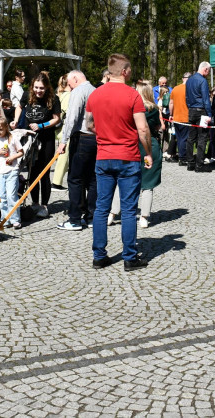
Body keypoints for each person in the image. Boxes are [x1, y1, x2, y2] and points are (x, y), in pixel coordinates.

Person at [86, 54, 151, 271]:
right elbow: (142, 128)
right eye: (130, 70)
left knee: (101, 208)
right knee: (129, 209)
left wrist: (105, 133)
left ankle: (99, 256)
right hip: (128, 156)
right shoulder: (132, 95)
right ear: (124, 71)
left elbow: (89, 124)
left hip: (104, 156)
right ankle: (130, 258)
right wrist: (148, 152)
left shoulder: (95, 95)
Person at [56, 70, 97, 231]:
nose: (69, 86)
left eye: (69, 82)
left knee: (75, 179)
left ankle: (74, 219)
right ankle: (91, 216)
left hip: (81, 137)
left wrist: (63, 141)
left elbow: (72, 117)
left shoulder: (78, 91)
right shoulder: (95, 90)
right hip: (95, 138)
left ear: (75, 78)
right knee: (92, 179)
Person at [24, 73, 62, 218]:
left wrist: (41, 125)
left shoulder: (53, 99)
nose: (38, 91)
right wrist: (15, 120)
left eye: (41, 88)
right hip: (31, 141)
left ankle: (44, 205)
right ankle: (34, 203)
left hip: (47, 140)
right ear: (32, 86)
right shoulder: (27, 96)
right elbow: (20, 108)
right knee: (32, 171)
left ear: (47, 88)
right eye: (36, 87)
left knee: (44, 173)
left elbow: (56, 119)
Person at [135, 81, 163, 228]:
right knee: (148, 181)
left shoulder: (132, 108)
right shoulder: (153, 109)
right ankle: (144, 217)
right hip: (148, 148)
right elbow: (159, 127)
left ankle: (113, 213)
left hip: (132, 147)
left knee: (125, 181)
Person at [0, 116, 24, 229]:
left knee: (11, 195)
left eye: (0, 129)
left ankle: (15, 219)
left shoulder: (12, 138)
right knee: (1, 197)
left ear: (6, 128)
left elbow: (21, 152)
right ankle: (5, 219)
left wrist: (12, 157)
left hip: (12, 170)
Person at [184, 62, 213, 172]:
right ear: (205, 69)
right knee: (202, 138)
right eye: (208, 71)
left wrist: (190, 108)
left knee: (191, 138)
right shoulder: (203, 81)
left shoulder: (189, 80)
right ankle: (199, 165)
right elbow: (206, 99)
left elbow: (186, 97)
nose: (208, 73)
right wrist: (209, 114)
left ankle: (190, 163)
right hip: (201, 111)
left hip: (191, 110)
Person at [51, 74, 73, 189]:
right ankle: (57, 182)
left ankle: (57, 181)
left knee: (63, 155)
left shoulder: (60, 94)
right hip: (64, 129)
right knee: (64, 156)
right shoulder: (69, 96)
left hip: (59, 129)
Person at [169, 73, 190, 163]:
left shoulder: (175, 89)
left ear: (183, 79)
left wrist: (171, 114)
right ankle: (183, 157)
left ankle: (182, 156)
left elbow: (171, 103)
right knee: (185, 138)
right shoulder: (190, 89)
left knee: (179, 138)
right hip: (186, 117)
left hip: (176, 117)